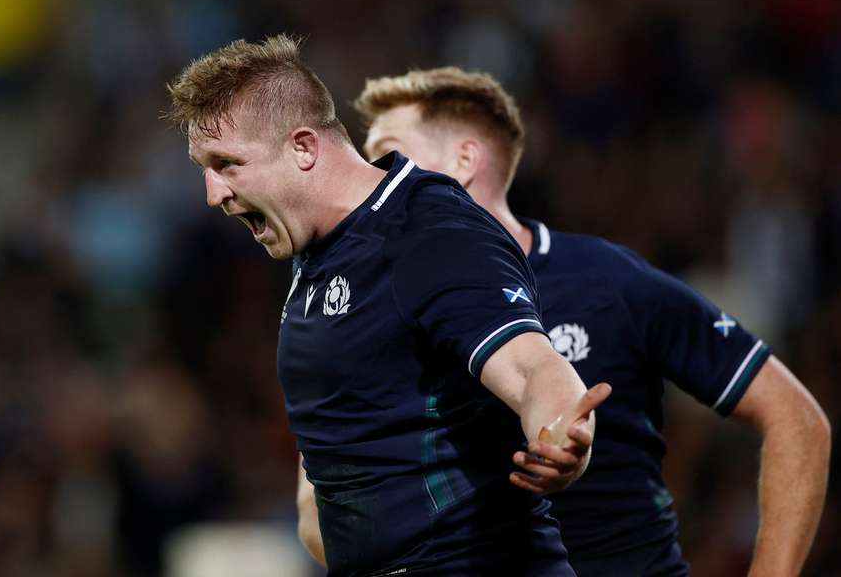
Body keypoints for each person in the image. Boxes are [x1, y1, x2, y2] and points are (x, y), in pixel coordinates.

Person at [296, 67, 831, 576]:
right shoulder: (363, 308)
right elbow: (315, 515)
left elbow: (796, 417)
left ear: (463, 160)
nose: (370, 178)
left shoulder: (608, 283)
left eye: (386, 155)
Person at [166, 36, 611, 576]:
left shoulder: (427, 232)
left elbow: (531, 366)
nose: (213, 193)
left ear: (303, 148)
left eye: (227, 164)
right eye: (203, 169)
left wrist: (561, 438)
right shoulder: (318, 249)